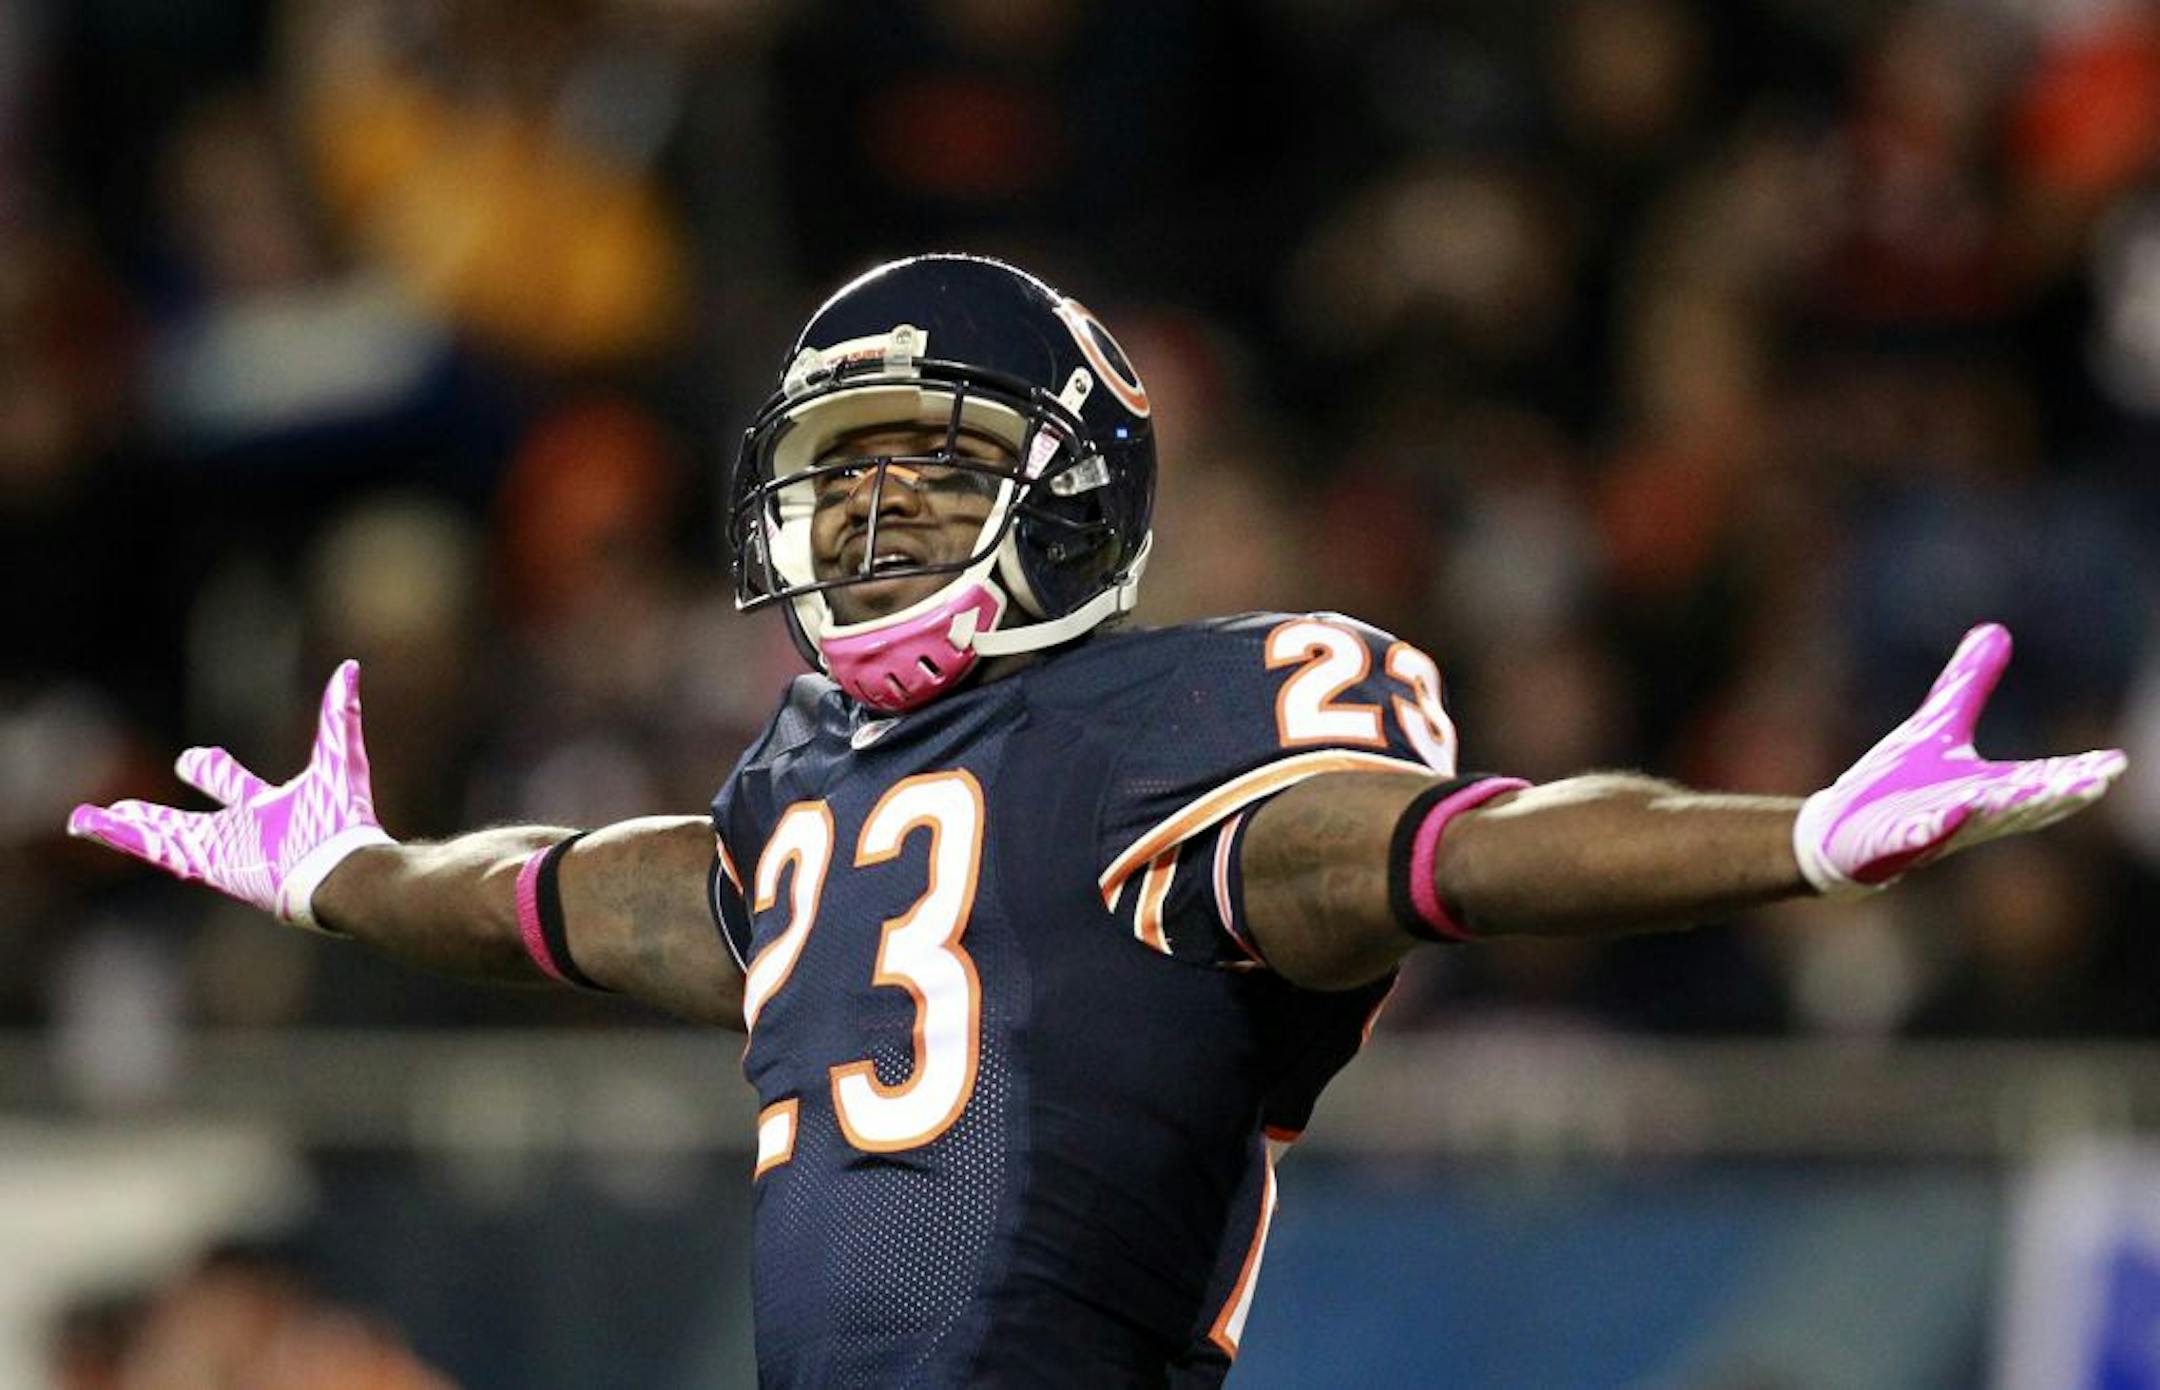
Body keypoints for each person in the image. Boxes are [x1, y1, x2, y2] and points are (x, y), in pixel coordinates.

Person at [69, 254, 2127, 1388]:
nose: (871, 518)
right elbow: (577, 901)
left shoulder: (1178, 728)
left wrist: (1787, 836)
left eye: (930, 472)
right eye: (842, 475)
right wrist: (347, 873)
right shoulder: (796, 785)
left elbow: (1437, 847)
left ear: (1069, 492)